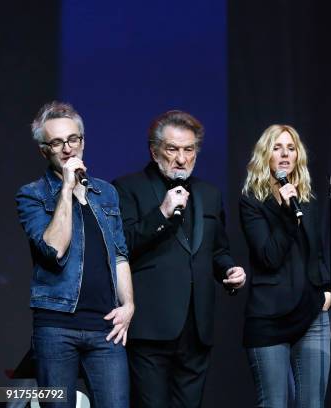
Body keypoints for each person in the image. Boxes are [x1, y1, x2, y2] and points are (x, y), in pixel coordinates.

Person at [112, 110, 246, 407]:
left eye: (189, 150)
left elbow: (217, 250)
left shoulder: (209, 193)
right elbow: (121, 246)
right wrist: (161, 213)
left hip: (196, 328)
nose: (181, 158)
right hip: (151, 326)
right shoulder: (126, 188)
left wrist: (230, 270)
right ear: (154, 150)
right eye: (172, 149)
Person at [16, 101, 134, 408]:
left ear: (82, 141)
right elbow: (54, 249)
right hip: (56, 327)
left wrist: (129, 305)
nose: (68, 149)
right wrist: (67, 190)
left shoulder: (106, 193)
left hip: (105, 328)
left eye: (73, 139)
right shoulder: (32, 194)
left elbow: (119, 254)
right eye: (57, 142)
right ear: (45, 150)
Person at [239, 124, 331, 407]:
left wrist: (326, 289)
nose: (284, 154)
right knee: (274, 403)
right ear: (265, 155)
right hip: (269, 316)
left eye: (290, 148)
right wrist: (286, 214)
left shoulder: (307, 199)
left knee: (312, 403)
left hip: (312, 312)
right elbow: (269, 256)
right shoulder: (252, 201)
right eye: (277, 147)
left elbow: (317, 252)